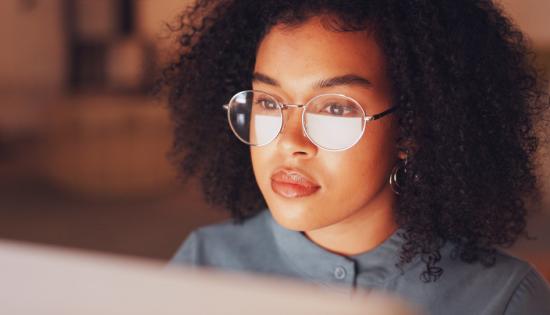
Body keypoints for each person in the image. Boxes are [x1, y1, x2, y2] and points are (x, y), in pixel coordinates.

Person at [161, 1, 550, 314]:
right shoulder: (203, 264)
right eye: (267, 101)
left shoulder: (502, 300)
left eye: (334, 109)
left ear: (411, 128)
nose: (289, 141)